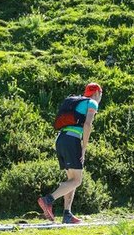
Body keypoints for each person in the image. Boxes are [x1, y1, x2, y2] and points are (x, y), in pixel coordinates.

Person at [37, 82, 103, 225]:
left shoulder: (79, 101)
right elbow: (87, 125)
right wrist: (84, 147)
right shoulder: (92, 103)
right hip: (72, 141)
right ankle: (48, 200)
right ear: (97, 93)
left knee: (71, 180)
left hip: (61, 139)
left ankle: (67, 214)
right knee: (77, 180)